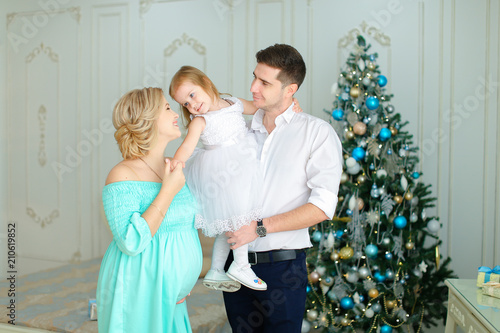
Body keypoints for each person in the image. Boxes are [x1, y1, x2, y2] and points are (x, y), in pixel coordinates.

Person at [223, 44, 343, 332]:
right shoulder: (237, 133)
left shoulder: (317, 133)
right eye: (254, 77)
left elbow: (322, 207)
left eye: (265, 82)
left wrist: (259, 228)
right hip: (234, 263)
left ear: (291, 89)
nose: (253, 87)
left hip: (282, 268)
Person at [96, 87, 202, 333]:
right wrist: (168, 190)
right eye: (166, 108)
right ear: (146, 119)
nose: (176, 112)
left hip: (173, 297)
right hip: (138, 290)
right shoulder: (122, 174)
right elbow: (131, 241)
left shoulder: (173, 168)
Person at [169, 65, 267, 292]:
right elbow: (187, 146)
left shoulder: (232, 102)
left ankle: (216, 270)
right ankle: (241, 265)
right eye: (185, 103)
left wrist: (287, 107)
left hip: (243, 162)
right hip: (223, 171)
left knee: (229, 222)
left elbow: (258, 107)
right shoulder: (200, 120)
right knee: (240, 217)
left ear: (205, 81)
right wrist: (176, 162)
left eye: (192, 95)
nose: (191, 105)